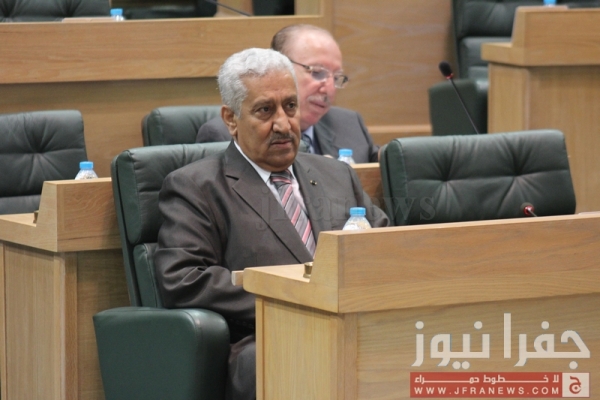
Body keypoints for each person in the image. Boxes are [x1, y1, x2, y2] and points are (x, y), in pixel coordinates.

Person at [155, 48, 389, 400]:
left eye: (290, 106)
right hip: (266, 339)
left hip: (357, 326)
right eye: (265, 110)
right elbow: (183, 279)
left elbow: (385, 247)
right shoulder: (196, 186)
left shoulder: (336, 175)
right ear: (231, 119)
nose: (283, 124)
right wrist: (294, 298)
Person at [196, 24, 380, 163]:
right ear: (280, 68)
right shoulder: (223, 134)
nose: (330, 89)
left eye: (337, 77)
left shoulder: (349, 123)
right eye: (317, 73)